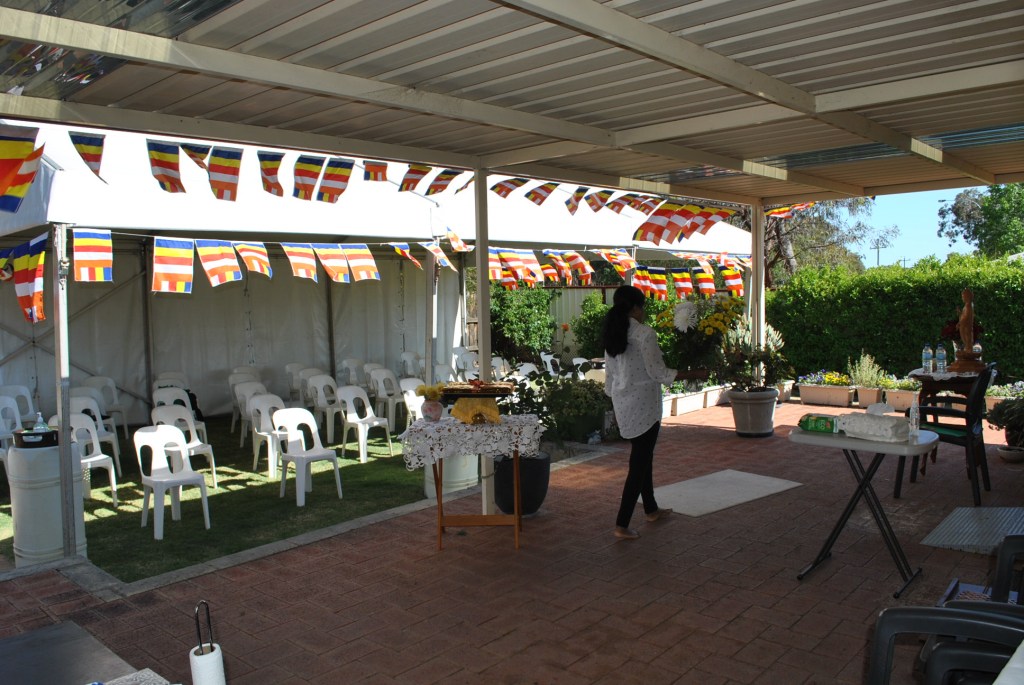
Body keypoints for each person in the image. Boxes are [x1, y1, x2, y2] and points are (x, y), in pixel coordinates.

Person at [602, 285, 708, 540]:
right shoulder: (644, 334)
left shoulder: (613, 332)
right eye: (643, 307)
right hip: (645, 406)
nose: (644, 312)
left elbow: (610, 377)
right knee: (639, 464)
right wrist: (694, 373)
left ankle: (651, 509)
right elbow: (658, 372)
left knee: (643, 456)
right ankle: (621, 524)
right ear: (636, 308)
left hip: (623, 403)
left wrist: (614, 404)